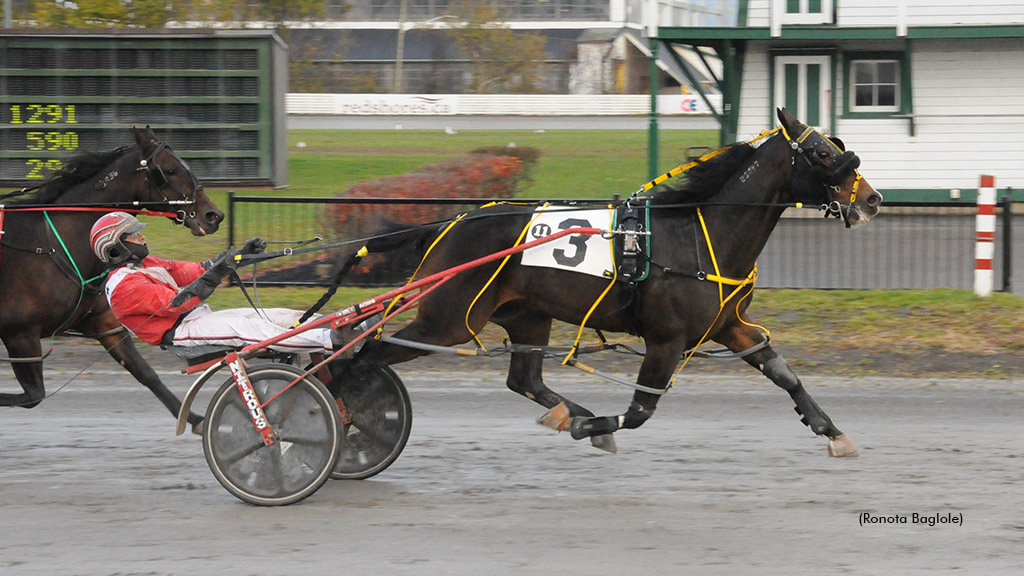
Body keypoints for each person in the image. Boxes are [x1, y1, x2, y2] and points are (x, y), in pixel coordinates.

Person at [90, 211, 339, 353]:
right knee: (255, 331)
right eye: (134, 235)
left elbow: (197, 270)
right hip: (180, 331)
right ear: (116, 246)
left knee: (273, 316)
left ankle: (340, 326)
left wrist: (240, 255)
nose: (142, 236)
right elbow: (177, 304)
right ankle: (331, 341)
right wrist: (219, 273)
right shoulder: (124, 286)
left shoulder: (145, 264)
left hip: (197, 319)